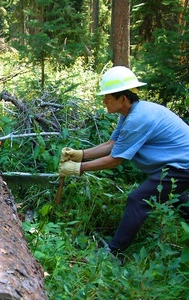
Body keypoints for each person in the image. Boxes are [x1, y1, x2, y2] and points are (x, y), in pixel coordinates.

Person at [59, 66, 189, 255]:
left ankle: (113, 253)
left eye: (108, 98)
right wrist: (80, 154)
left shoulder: (138, 119)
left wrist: (78, 168)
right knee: (176, 197)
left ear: (123, 99)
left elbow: (115, 160)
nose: (104, 102)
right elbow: (112, 144)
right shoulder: (129, 113)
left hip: (182, 166)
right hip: (177, 164)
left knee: (137, 200)